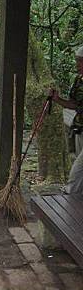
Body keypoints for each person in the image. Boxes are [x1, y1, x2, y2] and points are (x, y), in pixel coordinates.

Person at [50, 45, 83, 194]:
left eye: (80, 61)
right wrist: (57, 99)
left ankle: (70, 192)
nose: (78, 65)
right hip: (80, 126)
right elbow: (74, 104)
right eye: (77, 61)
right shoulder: (78, 80)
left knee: (79, 164)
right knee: (78, 159)